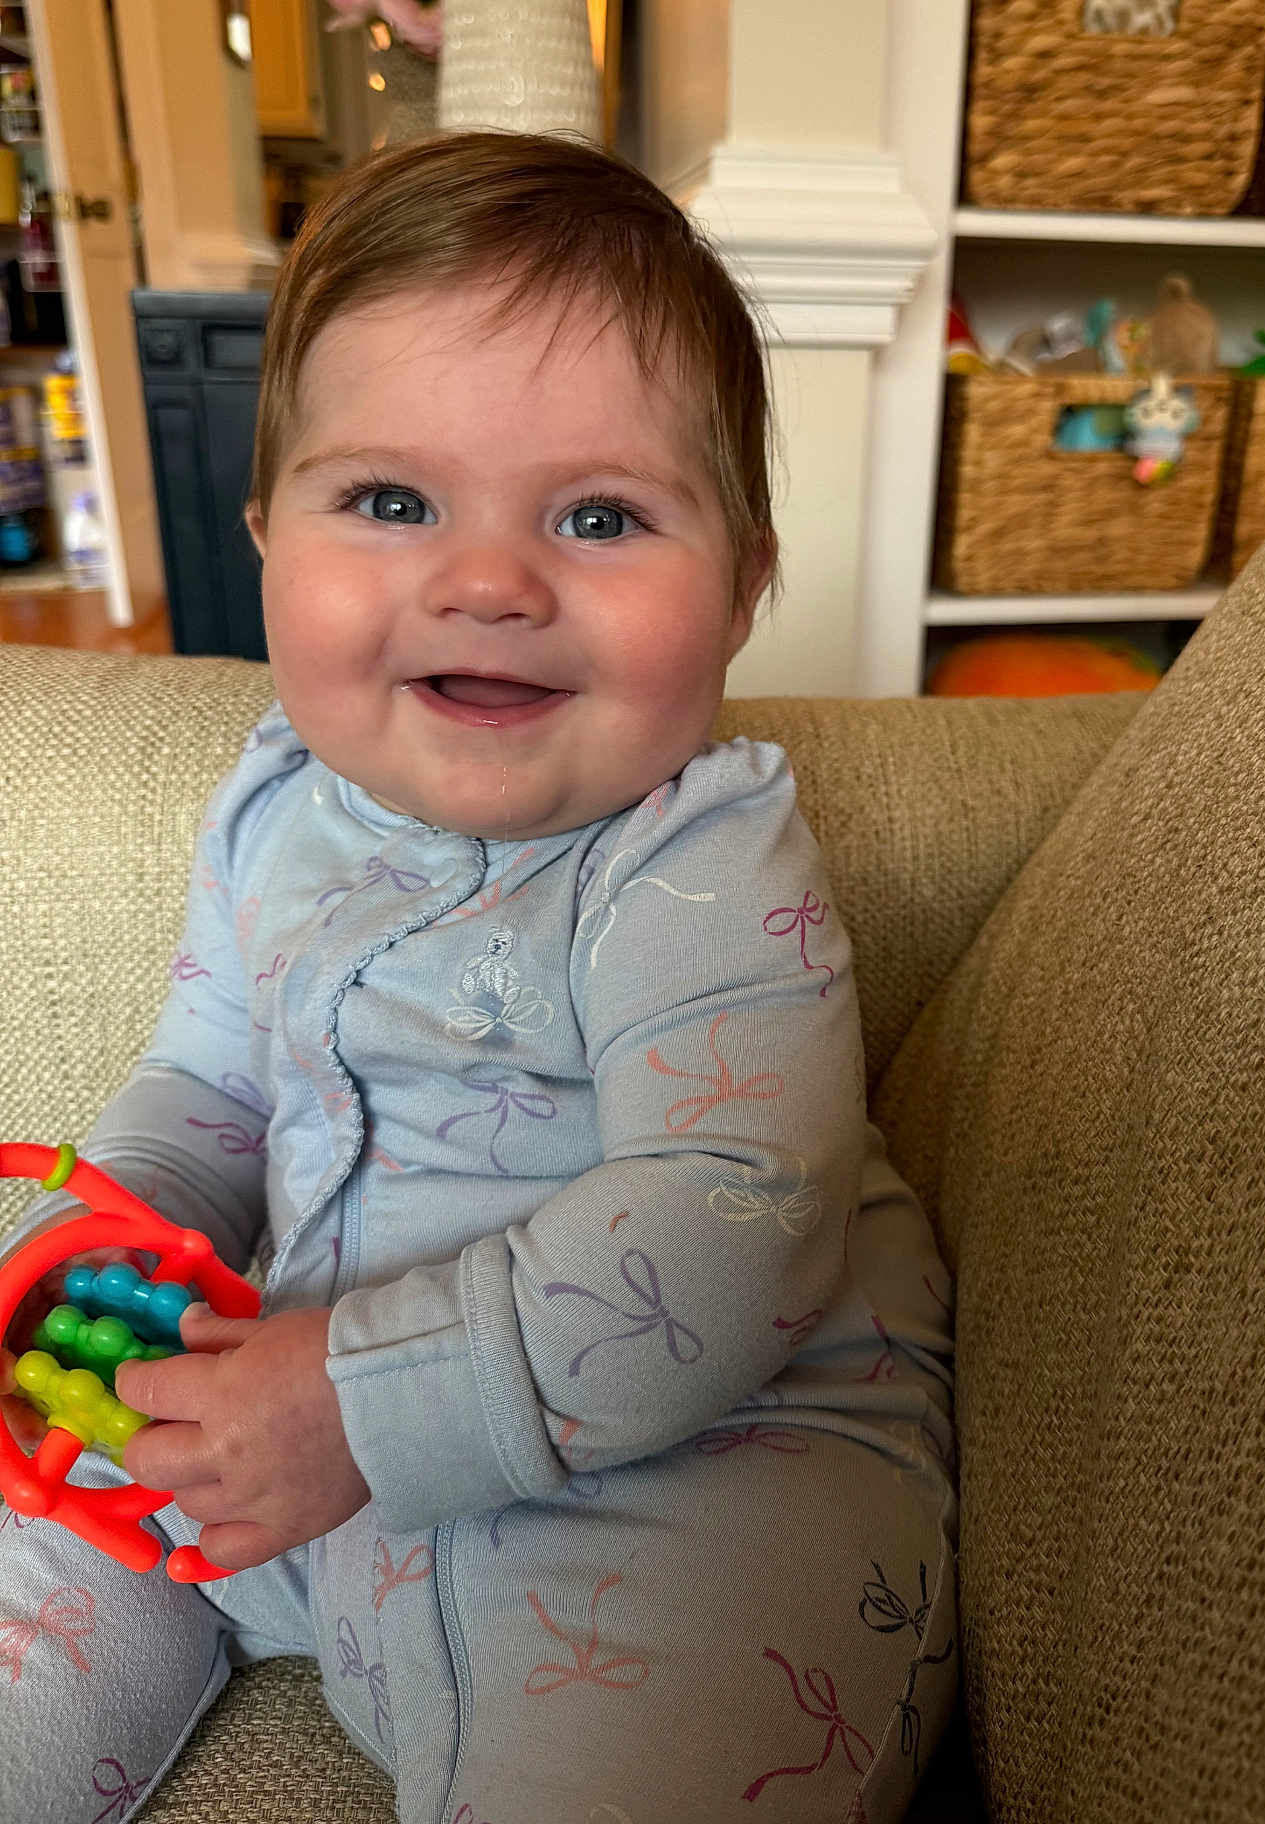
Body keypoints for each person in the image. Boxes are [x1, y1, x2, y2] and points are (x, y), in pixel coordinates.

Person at [0, 130, 956, 1824]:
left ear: (742, 586)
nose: (491, 581)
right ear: (265, 532)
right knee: (38, 1537)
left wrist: (368, 1406)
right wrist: (103, 1225)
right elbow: (213, 1084)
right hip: (280, 1460)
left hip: (684, 1495)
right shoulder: (273, 807)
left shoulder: (696, 859)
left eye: (599, 516)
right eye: (388, 501)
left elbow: (729, 1223)